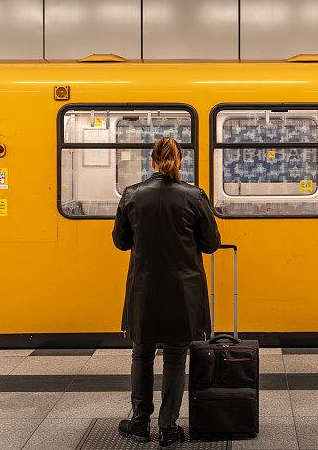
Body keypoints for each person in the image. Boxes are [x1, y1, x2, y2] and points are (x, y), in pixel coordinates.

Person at [112, 136, 221, 447]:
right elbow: (211, 244)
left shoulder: (132, 195)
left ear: (152, 162)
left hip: (144, 290)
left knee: (142, 355)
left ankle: (139, 423)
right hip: (183, 292)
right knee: (175, 357)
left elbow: (120, 242)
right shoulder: (194, 196)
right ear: (181, 161)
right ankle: (169, 427)